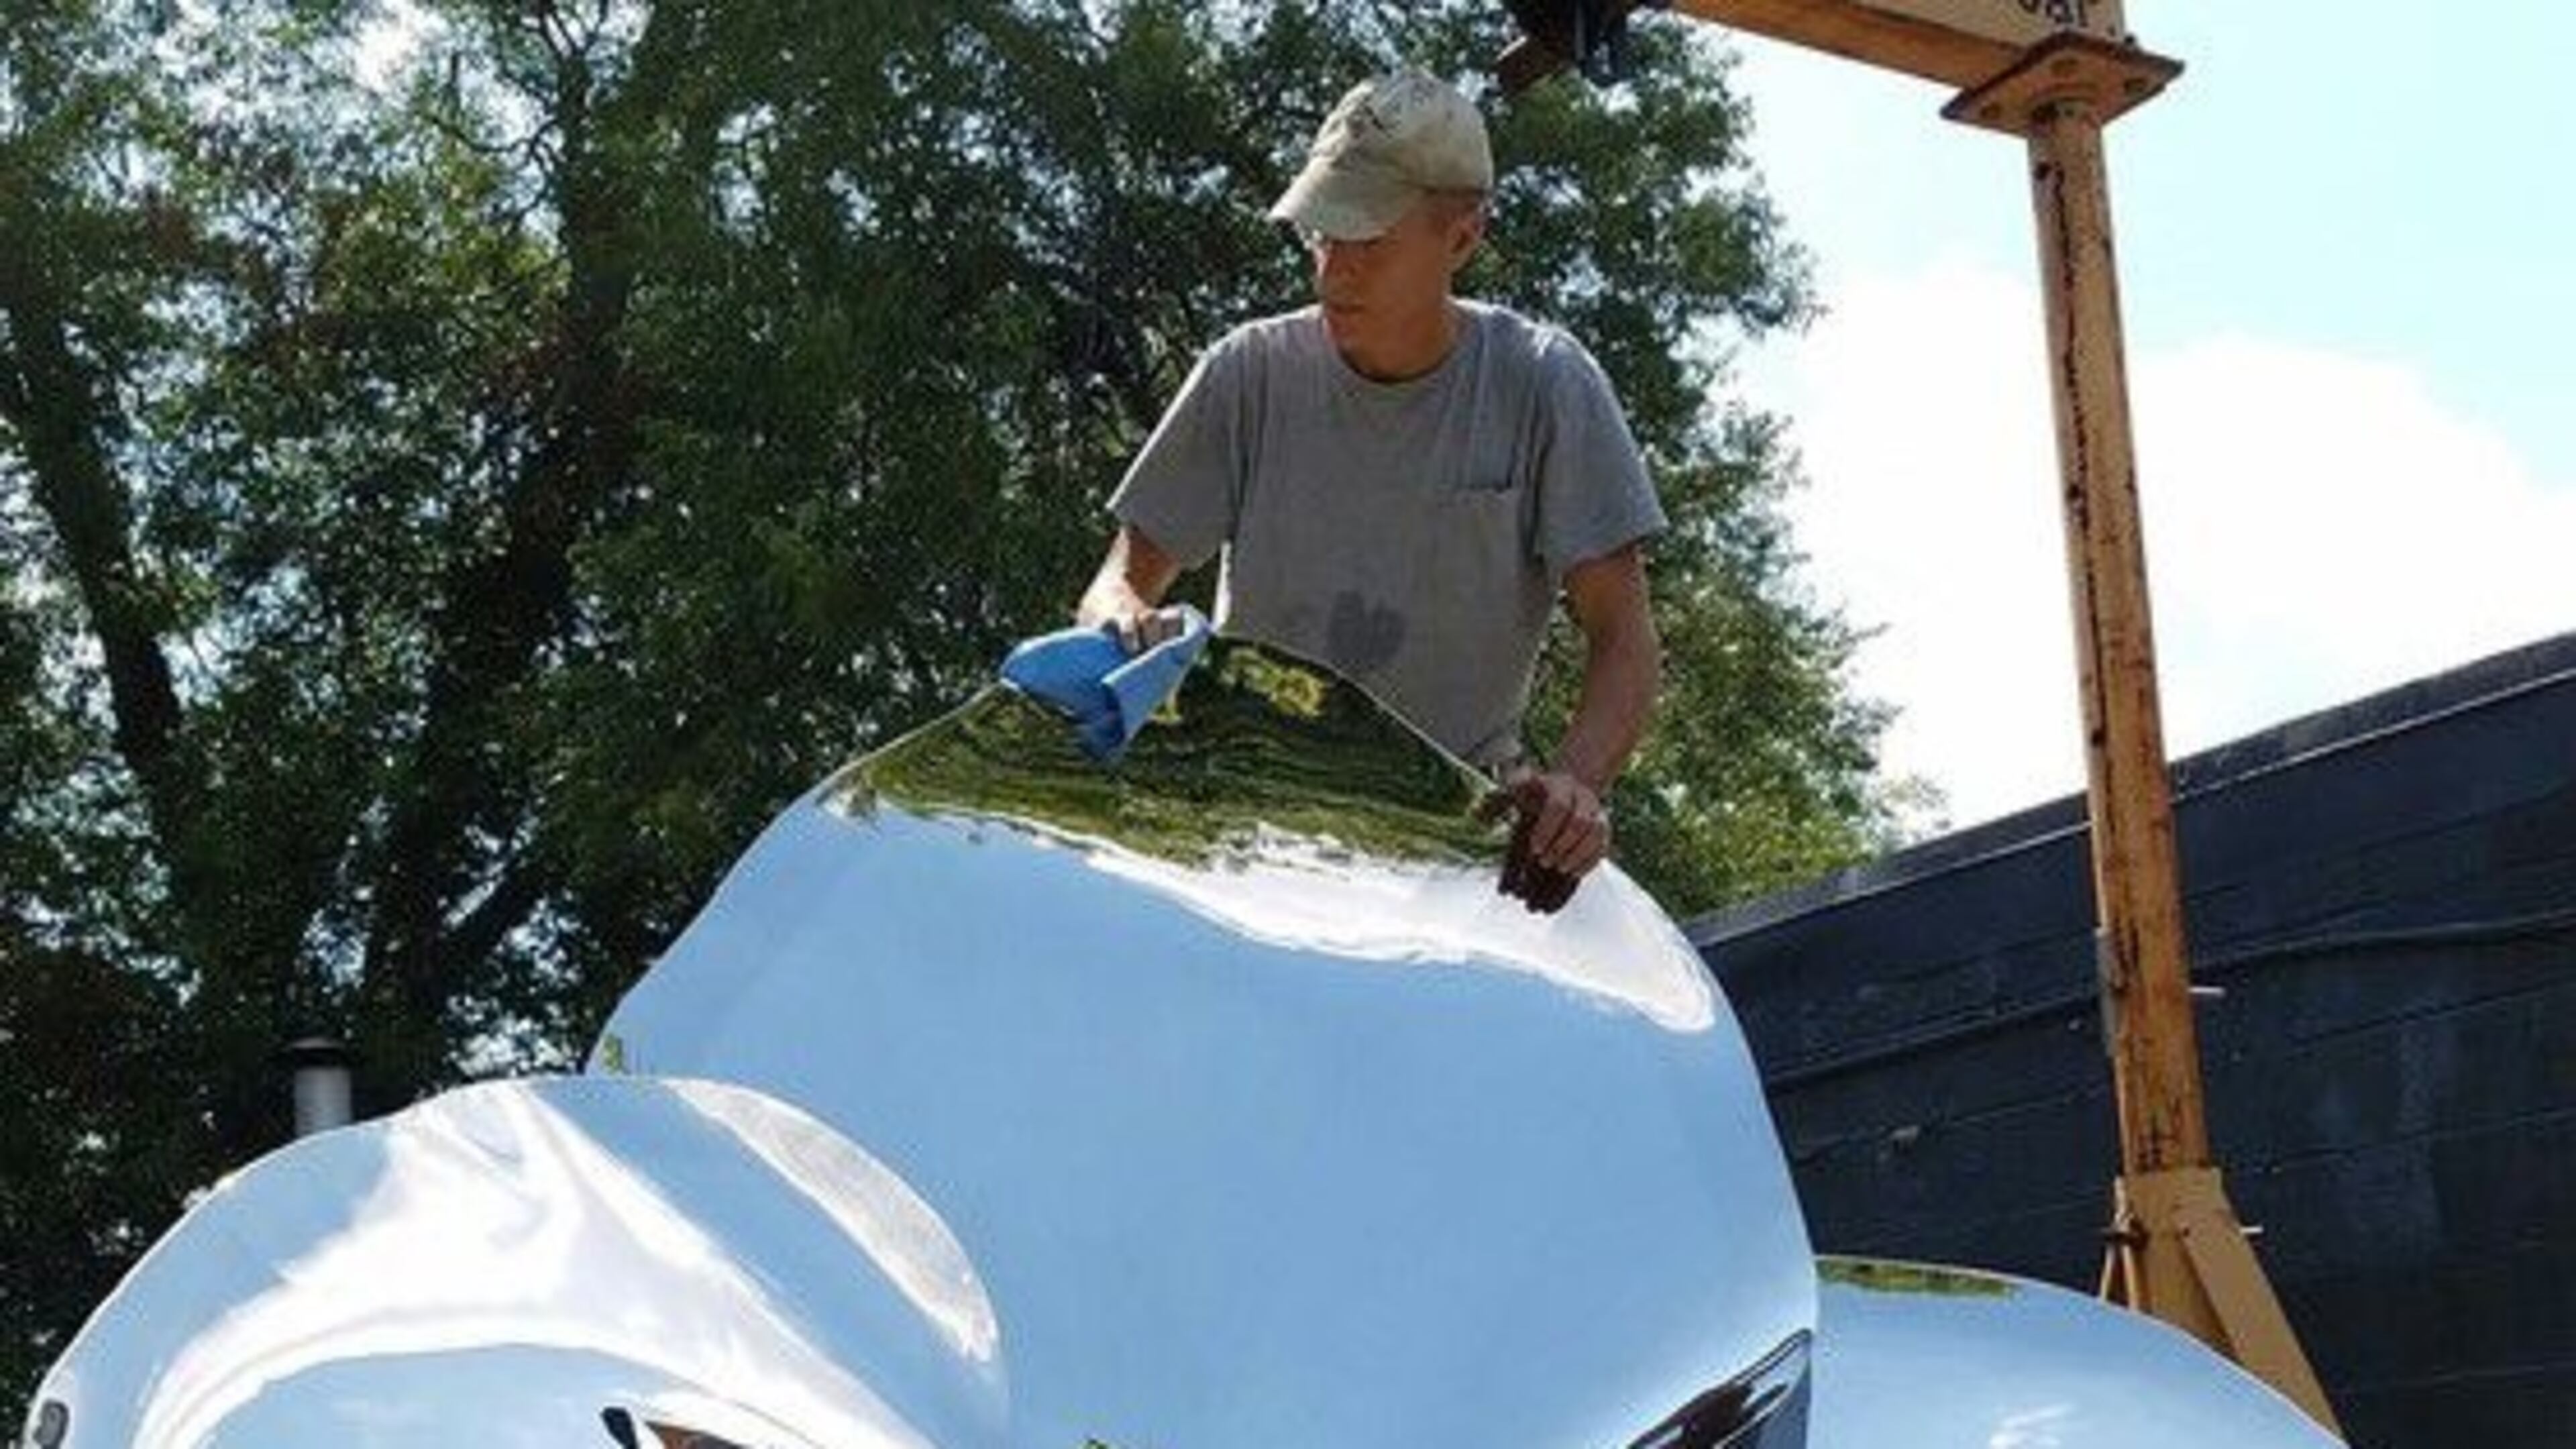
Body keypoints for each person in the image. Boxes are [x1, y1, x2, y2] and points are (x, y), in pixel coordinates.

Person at [1077, 68, 1663, 910]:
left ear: (1462, 239)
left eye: (1367, 239)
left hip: (1454, 857)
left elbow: (1626, 641)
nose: (1334, 271)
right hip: (1249, 839)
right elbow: (1118, 582)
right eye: (1322, 234)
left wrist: (1575, 785)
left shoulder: (1545, 384)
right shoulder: (1249, 374)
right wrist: (1121, 631)